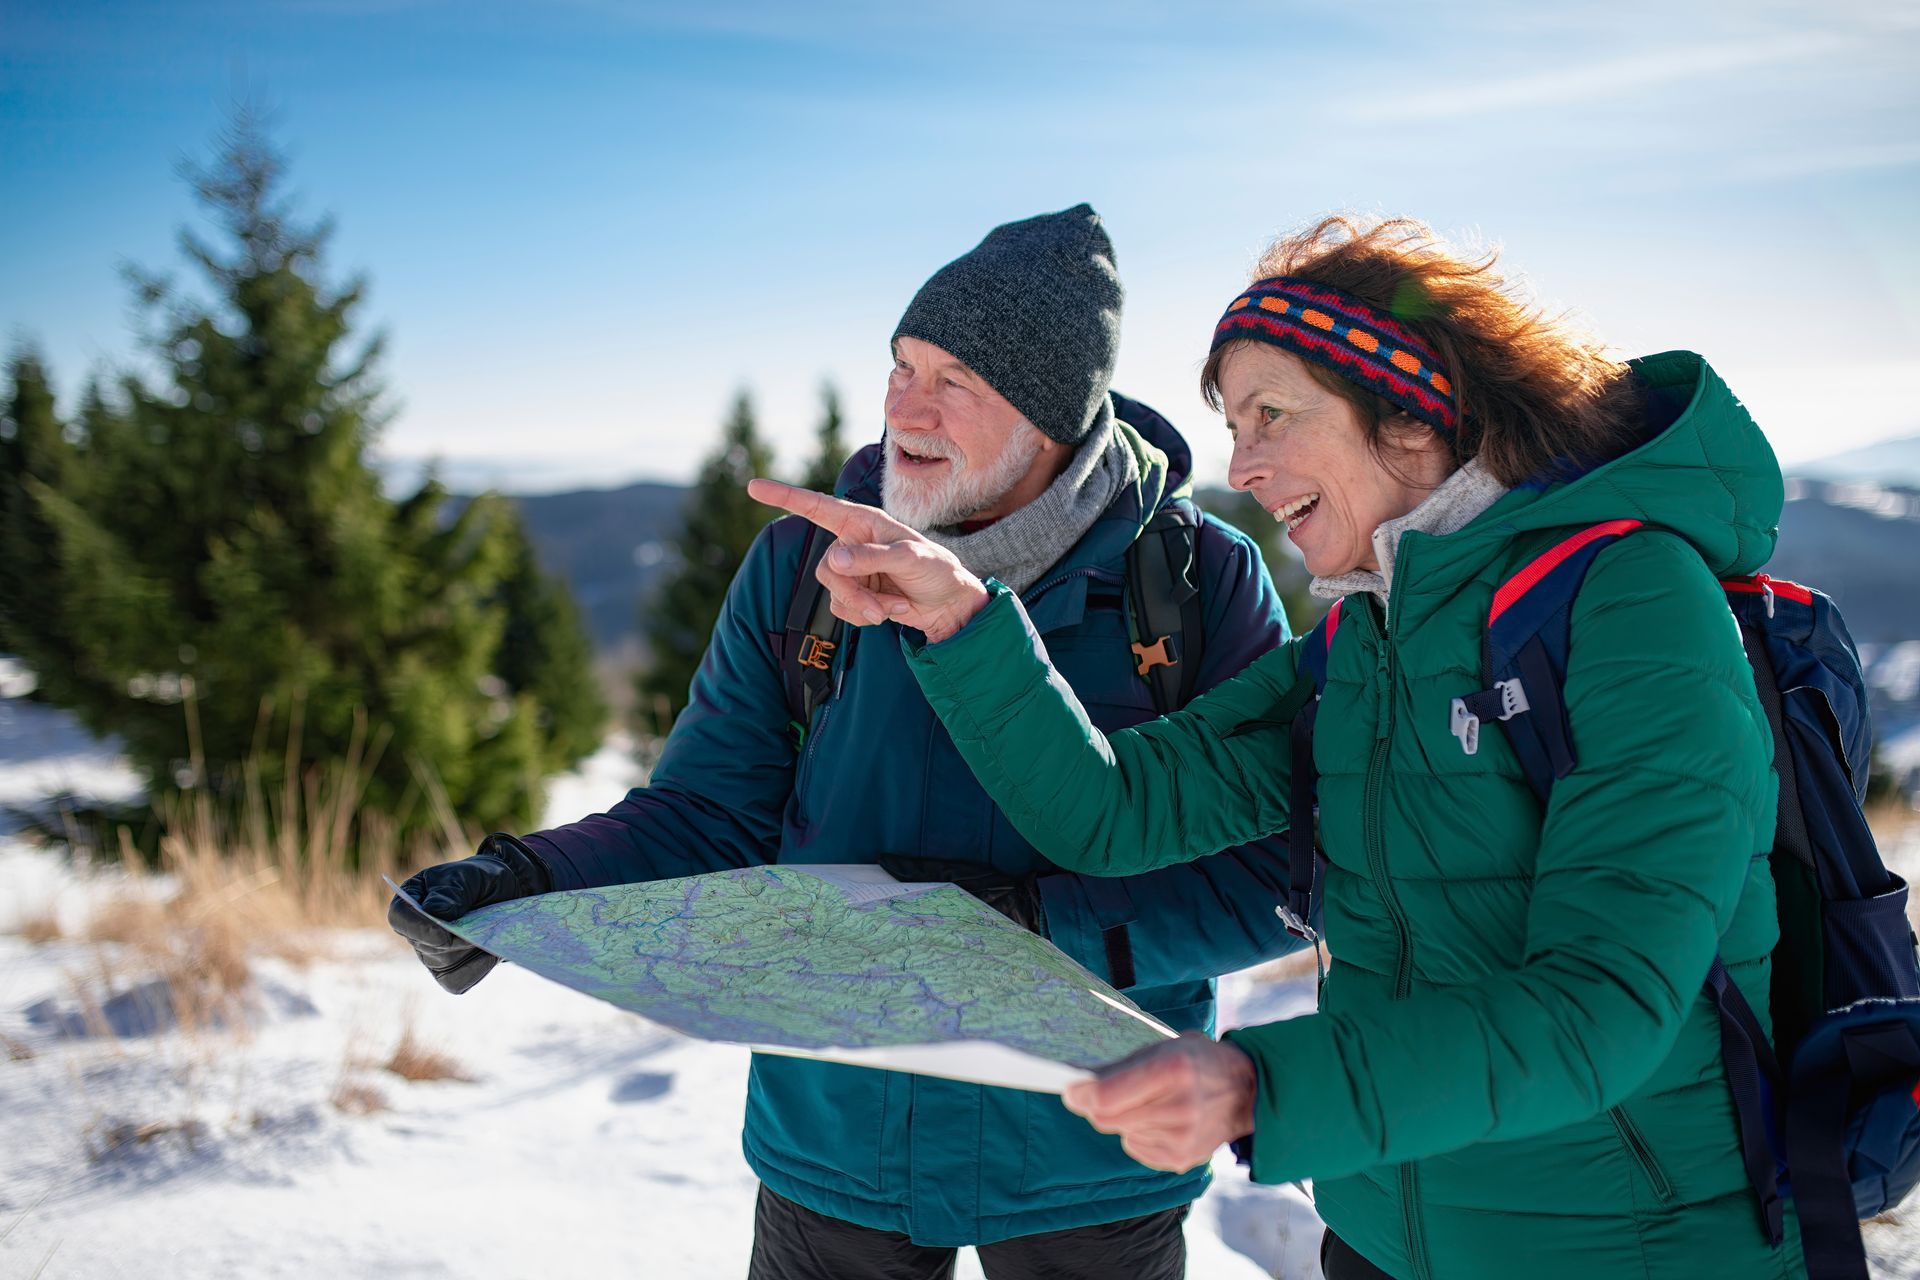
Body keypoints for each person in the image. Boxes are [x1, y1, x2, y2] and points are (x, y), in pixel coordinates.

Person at [750, 214, 1809, 1279]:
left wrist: (1262, 1084)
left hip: (1627, 1244)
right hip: (1384, 1234)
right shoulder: (1363, 638)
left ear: (1409, 410)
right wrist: (962, 620)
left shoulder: (1633, 601)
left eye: (1272, 415)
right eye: (1233, 422)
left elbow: (1602, 1003)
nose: (1242, 465)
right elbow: (1113, 811)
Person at [389, 204, 1304, 1279]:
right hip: (836, 1139)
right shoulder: (801, 569)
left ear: (1051, 414)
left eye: (953, 380)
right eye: (900, 365)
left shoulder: (1193, 583)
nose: (905, 408)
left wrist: (1028, 932)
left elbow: (1274, 873)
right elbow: (707, 812)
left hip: (1091, 1146)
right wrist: (526, 877)